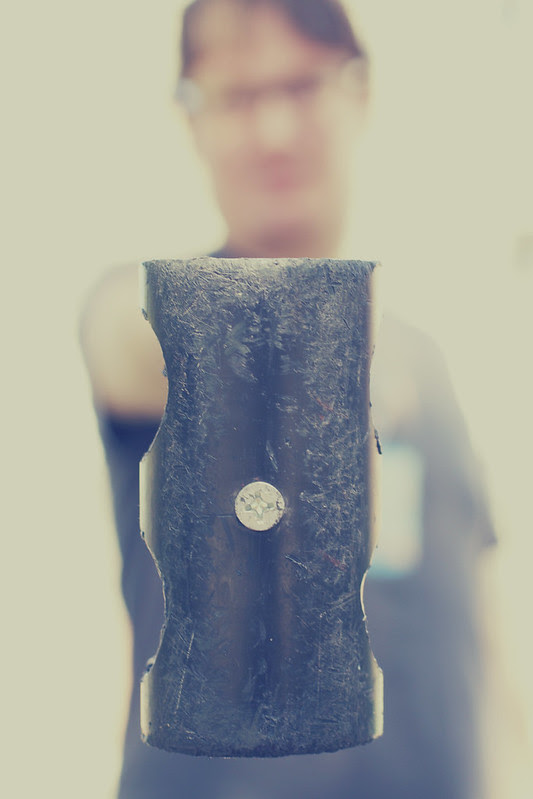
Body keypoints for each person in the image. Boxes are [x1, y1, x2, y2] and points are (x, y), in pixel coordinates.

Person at [81, 1, 495, 797]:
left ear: (359, 93)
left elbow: (476, 616)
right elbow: (117, 339)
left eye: (301, 86)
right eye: (236, 97)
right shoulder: (157, 322)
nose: (273, 131)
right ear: (191, 121)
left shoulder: (424, 362)